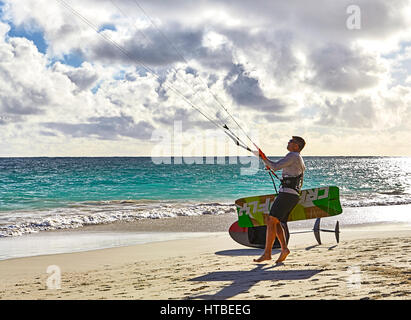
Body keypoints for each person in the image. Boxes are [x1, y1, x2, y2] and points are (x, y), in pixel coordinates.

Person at [252, 136, 306, 264]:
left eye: (291, 141)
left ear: (296, 146)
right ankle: (284, 249)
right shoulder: (297, 158)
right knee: (275, 222)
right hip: (291, 195)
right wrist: (266, 160)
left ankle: (267, 253)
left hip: (287, 194)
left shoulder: (293, 155)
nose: (288, 142)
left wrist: (263, 157)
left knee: (270, 220)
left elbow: (275, 166)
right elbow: (278, 168)